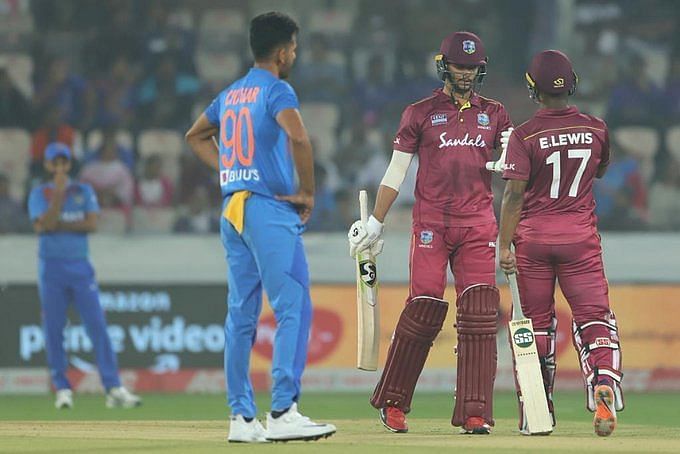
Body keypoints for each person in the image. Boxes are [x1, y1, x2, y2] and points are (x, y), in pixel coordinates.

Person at [348, 31, 513, 434]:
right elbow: (397, 171)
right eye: (459, 67)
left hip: (478, 225)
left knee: (478, 315)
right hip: (432, 226)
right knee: (423, 307)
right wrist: (375, 222)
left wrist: (508, 162)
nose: (466, 74)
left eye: (473, 68)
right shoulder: (419, 112)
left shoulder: (496, 113)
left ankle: (475, 412)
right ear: (444, 66)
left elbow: (514, 168)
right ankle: (393, 402)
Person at [185, 12, 336, 444]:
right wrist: (307, 193)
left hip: (233, 209)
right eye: (294, 48)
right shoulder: (277, 89)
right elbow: (300, 138)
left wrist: (231, 171)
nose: (294, 55)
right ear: (285, 50)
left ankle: (241, 419)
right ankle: (284, 412)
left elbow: (195, 136)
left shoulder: (231, 94)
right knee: (294, 306)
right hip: (267, 211)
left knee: (241, 316)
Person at [498, 50, 624, 437]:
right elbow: (599, 169)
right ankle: (603, 380)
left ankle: (536, 411)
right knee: (594, 317)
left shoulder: (523, 135)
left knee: (535, 328)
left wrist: (504, 245)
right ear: (572, 84)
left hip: (533, 242)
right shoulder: (597, 128)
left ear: (532, 88)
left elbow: (514, 196)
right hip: (580, 241)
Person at [27, 142, 141, 410]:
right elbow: (43, 226)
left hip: (80, 267)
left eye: (63, 162)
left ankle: (113, 388)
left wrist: (55, 224)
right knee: (54, 329)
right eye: (54, 162)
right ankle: (62, 388)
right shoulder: (38, 193)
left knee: (97, 326)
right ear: (47, 165)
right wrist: (57, 194)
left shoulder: (82, 191)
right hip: (51, 268)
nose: (59, 167)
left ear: (69, 164)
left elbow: (90, 224)